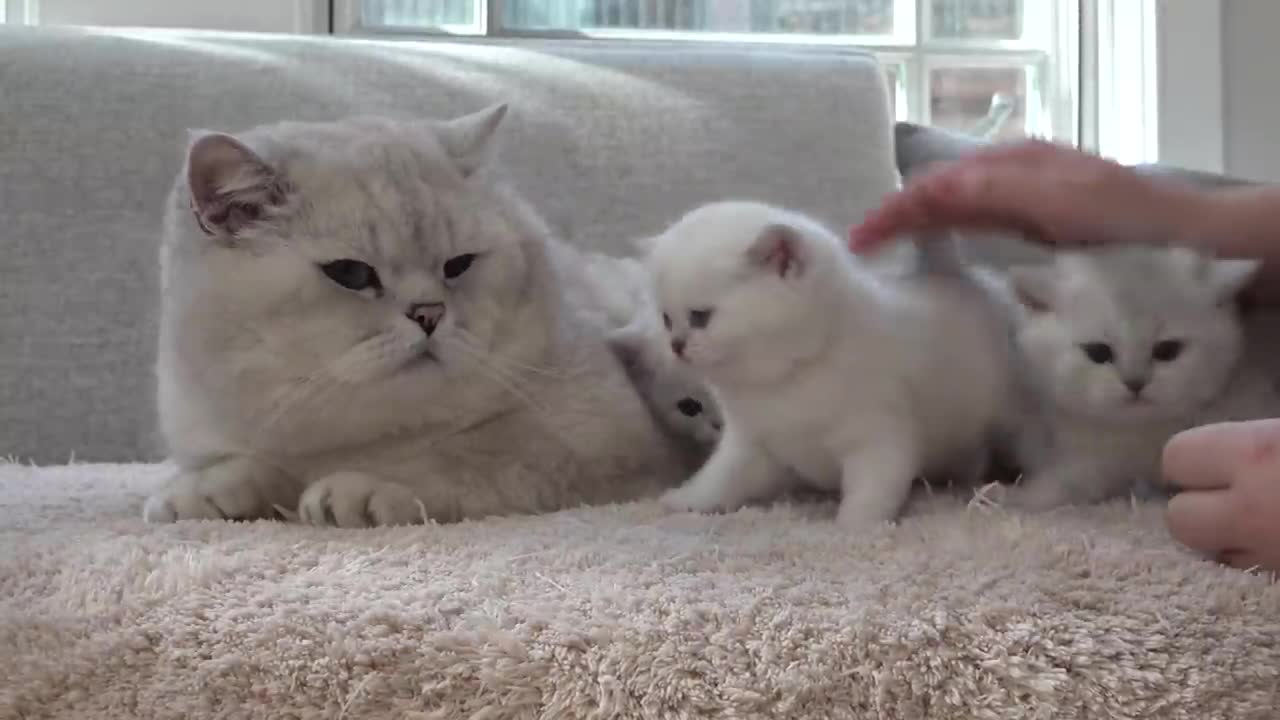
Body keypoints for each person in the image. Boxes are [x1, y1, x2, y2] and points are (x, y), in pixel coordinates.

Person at [850, 139, 1280, 574]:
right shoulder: (1035, 400)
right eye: (1099, 353)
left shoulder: (1246, 400)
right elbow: (1091, 467)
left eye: (1166, 351)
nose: (1134, 378)